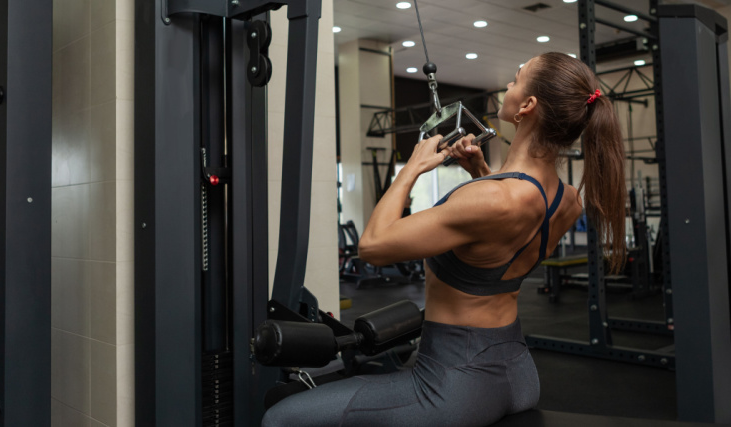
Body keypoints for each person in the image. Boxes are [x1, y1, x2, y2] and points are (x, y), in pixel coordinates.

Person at [262, 52, 626, 427]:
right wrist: (481, 173)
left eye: (516, 80)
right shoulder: (568, 200)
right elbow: (501, 243)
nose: (507, 86)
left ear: (527, 107)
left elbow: (373, 245)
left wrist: (414, 167)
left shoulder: (493, 199)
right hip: (517, 373)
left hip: (453, 384)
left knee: (279, 417)